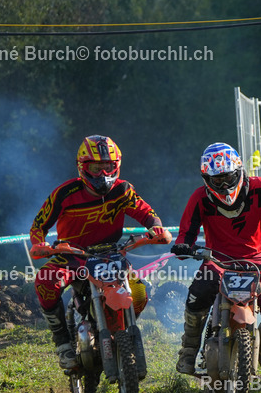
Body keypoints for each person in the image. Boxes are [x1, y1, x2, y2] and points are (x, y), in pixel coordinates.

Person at [29, 135, 167, 375]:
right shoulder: (65, 193)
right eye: (96, 168)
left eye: (108, 167)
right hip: (72, 254)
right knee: (45, 281)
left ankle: (120, 329)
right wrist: (40, 244)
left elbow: (146, 212)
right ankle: (62, 342)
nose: (103, 174)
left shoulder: (123, 190)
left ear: (117, 166)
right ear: (83, 167)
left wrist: (156, 228)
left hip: (111, 253)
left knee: (140, 293)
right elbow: (38, 225)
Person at [171, 143, 261, 379]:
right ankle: (189, 349)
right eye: (217, 180)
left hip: (256, 261)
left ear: (239, 171)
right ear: (206, 179)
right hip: (217, 260)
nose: (224, 185)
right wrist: (184, 245)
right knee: (198, 293)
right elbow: (187, 232)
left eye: (228, 177)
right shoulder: (200, 198)